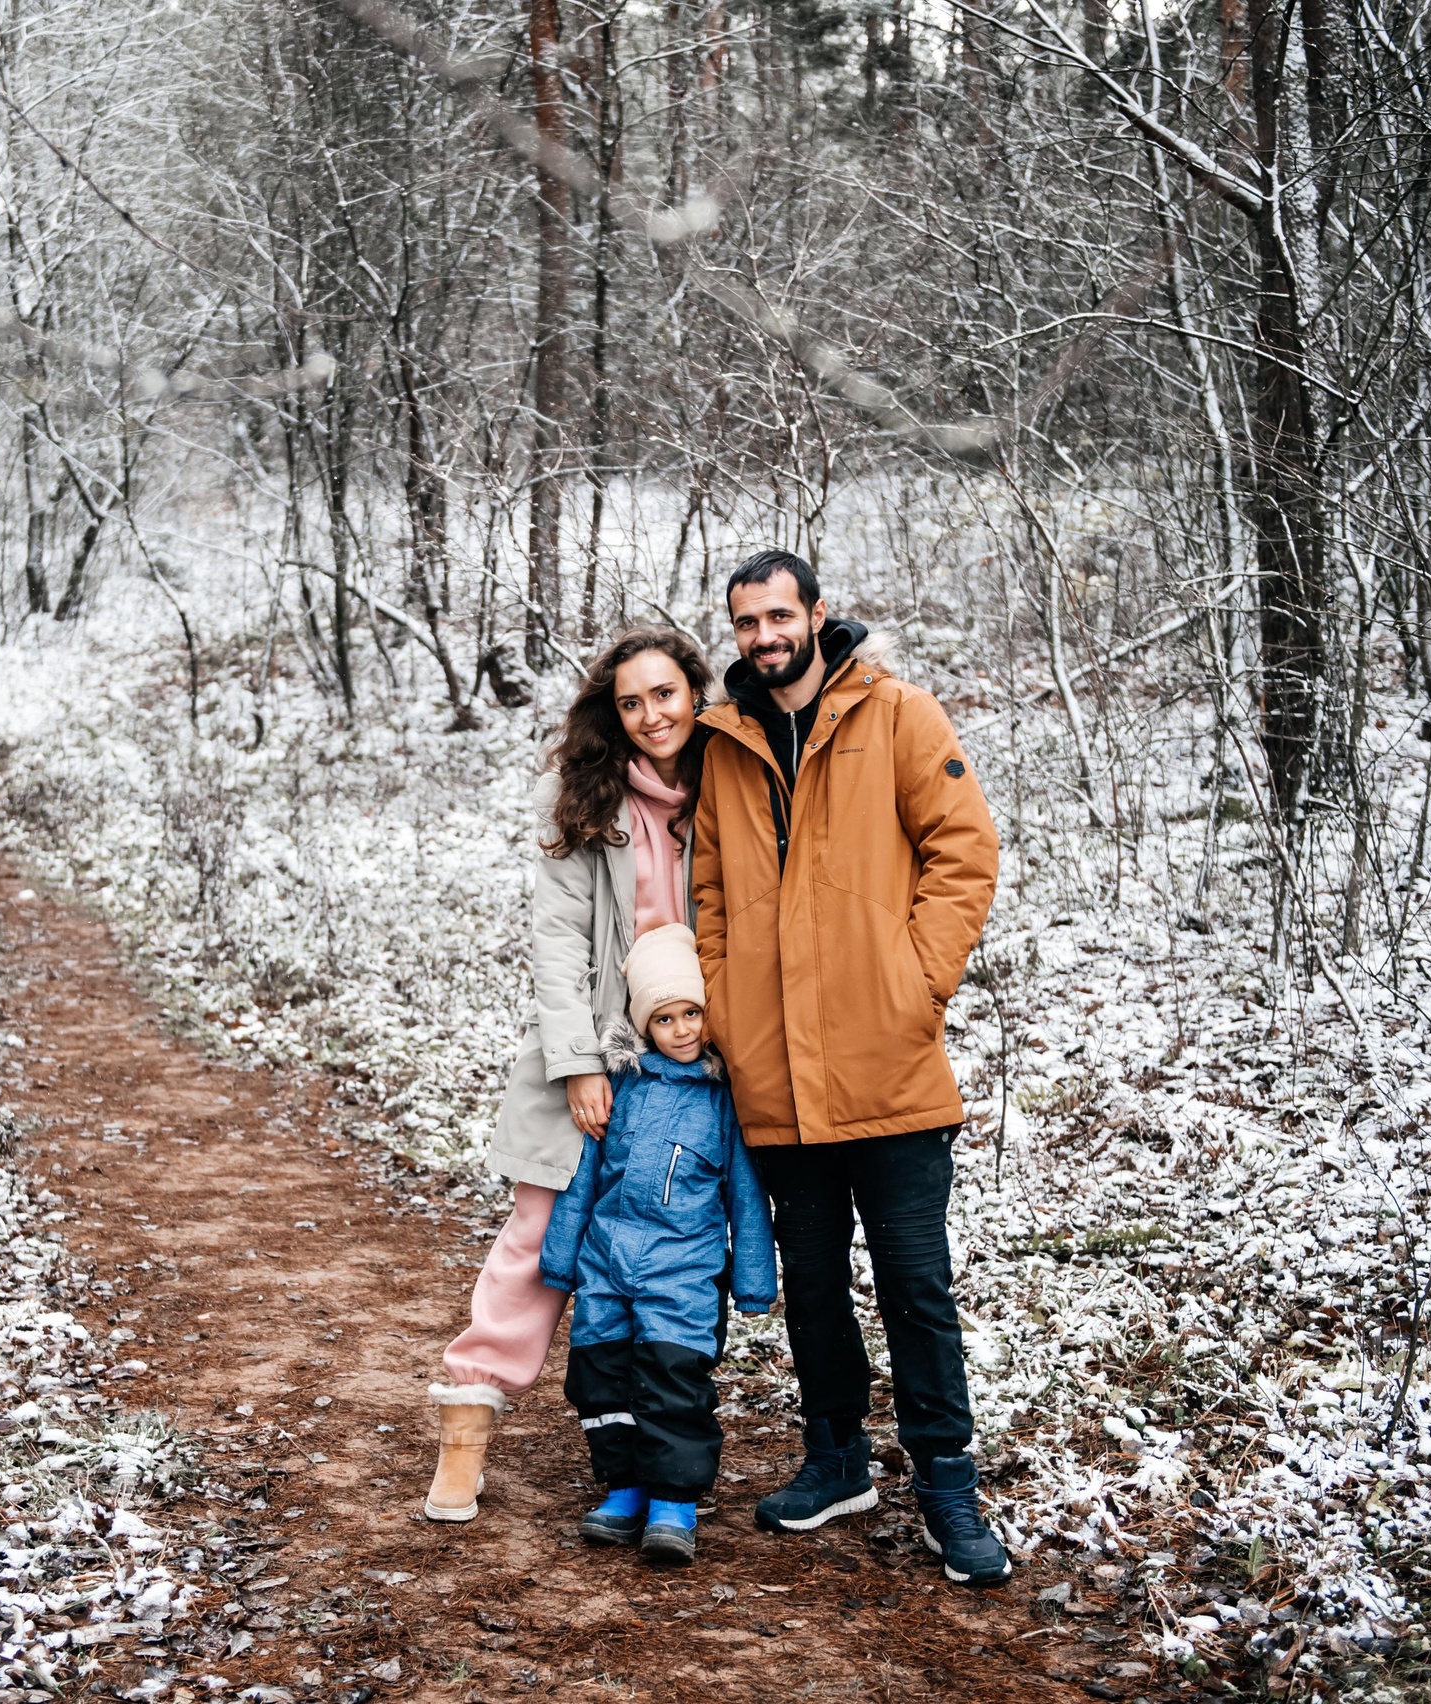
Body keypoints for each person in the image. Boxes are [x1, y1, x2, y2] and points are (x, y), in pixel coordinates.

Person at [688, 547, 1014, 1586]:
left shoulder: (897, 714)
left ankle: (947, 1487)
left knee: (915, 1287)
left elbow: (965, 852)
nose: (762, 638)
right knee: (814, 1284)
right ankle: (834, 1459)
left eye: (778, 616)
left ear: (817, 616)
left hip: (892, 1070)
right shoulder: (724, 743)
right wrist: (728, 1004)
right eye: (745, 623)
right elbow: (708, 897)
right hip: (777, 1074)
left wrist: (914, 985)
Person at [423, 629, 713, 1522]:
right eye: (632, 702)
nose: (651, 715)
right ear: (611, 714)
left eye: (666, 695)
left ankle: (660, 1459)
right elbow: (557, 945)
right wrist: (580, 1064)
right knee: (540, 1236)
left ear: (696, 696)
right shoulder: (584, 798)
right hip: (598, 1052)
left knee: (680, 1245)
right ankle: (465, 1435)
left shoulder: (731, 785)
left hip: (697, 1061)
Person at [537, 923, 775, 1565]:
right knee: (600, 1377)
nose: (681, 1030)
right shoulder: (623, 1088)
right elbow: (583, 1180)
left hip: (683, 1271)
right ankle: (627, 1489)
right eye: (664, 1018)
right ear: (644, 1027)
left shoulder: (723, 1100)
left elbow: (746, 1197)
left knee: (673, 1381)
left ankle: (673, 1502)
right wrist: (561, 1258)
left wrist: (754, 1277)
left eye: (691, 1012)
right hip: (607, 1264)